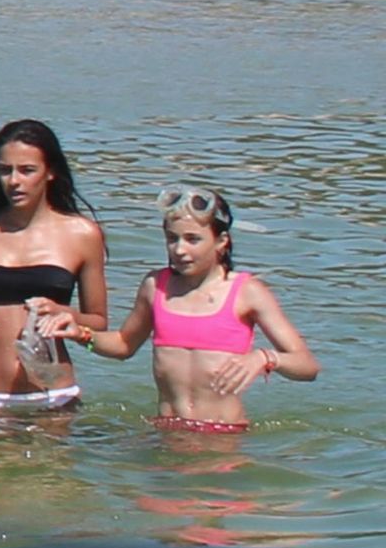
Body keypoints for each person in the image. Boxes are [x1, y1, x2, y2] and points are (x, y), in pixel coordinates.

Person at [42, 185, 320, 432]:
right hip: (165, 433)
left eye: (192, 239)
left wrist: (264, 358)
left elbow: (307, 367)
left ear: (221, 243)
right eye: (172, 239)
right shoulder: (156, 286)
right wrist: (82, 335)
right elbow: (124, 346)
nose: (180, 250)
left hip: (222, 437)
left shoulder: (247, 293)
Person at [0, 119, 108, 418]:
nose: (14, 181)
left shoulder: (83, 234)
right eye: (5, 170)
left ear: (51, 172)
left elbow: (98, 323)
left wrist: (66, 314)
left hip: (53, 394)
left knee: (52, 466)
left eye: (27, 170)